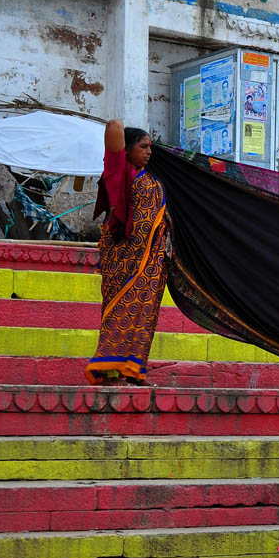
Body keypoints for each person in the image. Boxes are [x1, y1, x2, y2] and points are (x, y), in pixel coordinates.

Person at [84, 120, 169, 386]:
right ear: (127, 150)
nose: (149, 152)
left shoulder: (154, 178)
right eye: (143, 146)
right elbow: (113, 127)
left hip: (152, 259)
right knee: (119, 310)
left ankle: (133, 369)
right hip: (123, 256)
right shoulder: (119, 171)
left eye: (150, 147)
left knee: (145, 313)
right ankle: (108, 368)